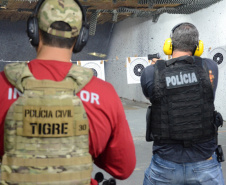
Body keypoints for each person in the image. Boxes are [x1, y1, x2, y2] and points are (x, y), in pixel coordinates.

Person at [0, 0, 136, 184]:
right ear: (81, 38)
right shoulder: (104, 94)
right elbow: (122, 168)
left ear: (33, 31)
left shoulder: (2, 85)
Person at [141, 22, 225, 185]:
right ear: (198, 47)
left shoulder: (151, 72)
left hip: (165, 166)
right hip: (205, 164)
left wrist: (158, 69)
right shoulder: (210, 67)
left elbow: (152, 95)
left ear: (169, 45)